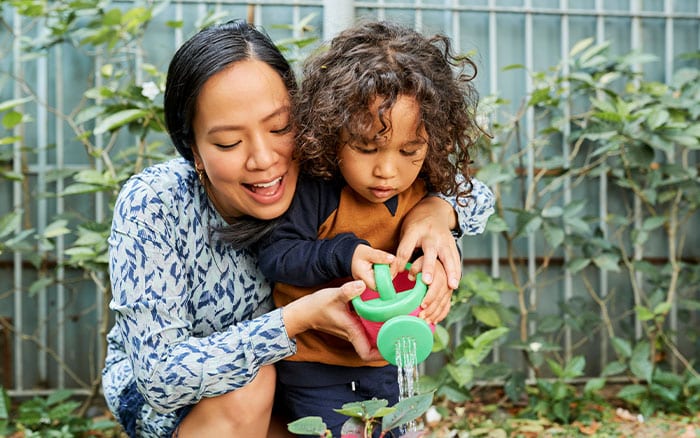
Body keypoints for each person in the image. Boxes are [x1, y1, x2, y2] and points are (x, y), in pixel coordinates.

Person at [101, 19, 494, 438]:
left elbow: (476, 194)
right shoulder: (157, 202)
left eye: (279, 127)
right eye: (229, 143)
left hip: (300, 388)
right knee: (251, 385)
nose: (263, 158)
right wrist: (294, 321)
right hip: (197, 403)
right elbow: (160, 380)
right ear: (192, 148)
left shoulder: (333, 160)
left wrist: (438, 211)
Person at [256, 20, 491, 436]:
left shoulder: (425, 190)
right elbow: (277, 256)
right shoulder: (319, 190)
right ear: (332, 132)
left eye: (409, 150)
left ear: (432, 143)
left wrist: (435, 280)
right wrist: (343, 253)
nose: (387, 170)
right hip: (315, 361)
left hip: (389, 356)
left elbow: (477, 203)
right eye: (366, 148)